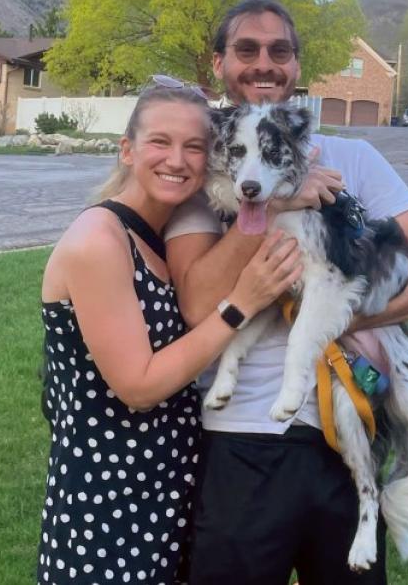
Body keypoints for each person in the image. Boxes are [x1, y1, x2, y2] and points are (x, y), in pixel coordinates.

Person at [164, 0, 408, 584]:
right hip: (240, 441)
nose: (264, 64)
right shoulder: (202, 178)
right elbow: (197, 306)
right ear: (219, 63)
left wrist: (341, 321)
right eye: (246, 50)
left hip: (346, 428)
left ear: (297, 66)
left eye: (280, 51)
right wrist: (280, 197)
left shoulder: (354, 159)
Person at [37, 83, 303, 585]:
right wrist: (241, 305)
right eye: (160, 142)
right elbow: (137, 386)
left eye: (195, 147)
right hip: (108, 509)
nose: (177, 160)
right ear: (127, 149)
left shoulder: (157, 237)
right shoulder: (99, 240)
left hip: (171, 491)